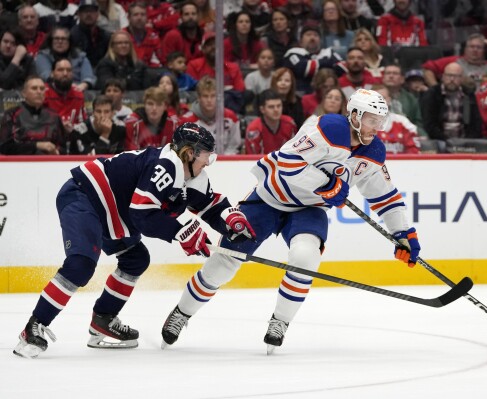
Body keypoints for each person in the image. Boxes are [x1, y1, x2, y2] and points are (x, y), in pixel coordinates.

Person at [160, 89, 421, 354]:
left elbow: (385, 196)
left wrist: (403, 233)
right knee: (225, 260)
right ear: (354, 115)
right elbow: (287, 162)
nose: (377, 127)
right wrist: (326, 183)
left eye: (381, 120)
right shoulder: (327, 128)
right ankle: (182, 312)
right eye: (371, 119)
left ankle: (280, 322)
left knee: (305, 257)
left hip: (308, 209)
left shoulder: (374, 152)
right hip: (269, 198)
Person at [13, 122, 255, 358]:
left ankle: (103, 319)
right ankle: (33, 327)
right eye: (206, 157)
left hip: (114, 212)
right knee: (81, 264)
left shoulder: (192, 175)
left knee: (135, 259)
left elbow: (209, 206)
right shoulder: (166, 166)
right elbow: (142, 215)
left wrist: (230, 220)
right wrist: (180, 232)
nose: (207, 163)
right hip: (85, 196)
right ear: (190, 153)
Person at [0, 76, 67, 155]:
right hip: (19, 164)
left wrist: (56, 152)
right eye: (34, 88)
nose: (39, 92)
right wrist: (37, 146)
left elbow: (64, 148)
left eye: (42, 89)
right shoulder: (12, 114)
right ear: (24, 93)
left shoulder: (54, 116)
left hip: (49, 163)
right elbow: (4, 147)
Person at [420, 62, 482, 145]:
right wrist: (448, 141)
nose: (452, 79)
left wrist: (466, 141)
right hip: (439, 140)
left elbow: (476, 124)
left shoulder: (468, 95)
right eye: (449, 75)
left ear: (462, 78)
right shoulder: (432, 94)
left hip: (465, 141)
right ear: (443, 77)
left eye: (456, 76)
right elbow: (429, 125)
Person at [180, 76, 242, 154]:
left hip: (225, 163)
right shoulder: (187, 122)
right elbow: (185, 149)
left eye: (213, 96)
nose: (209, 100)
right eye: (205, 96)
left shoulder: (231, 117)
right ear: (199, 98)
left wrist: (223, 161)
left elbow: (234, 146)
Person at [283, 24, 344, 95]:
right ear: (301, 40)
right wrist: (328, 63)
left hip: (328, 95)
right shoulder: (293, 52)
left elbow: (342, 68)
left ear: (320, 40)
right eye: (308, 35)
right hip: (300, 95)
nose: (312, 38)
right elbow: (304, 69)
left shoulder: (328, 52)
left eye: (315, 35)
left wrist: (314, 64)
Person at [35, 26, 96, 91]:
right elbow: (46, 76)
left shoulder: (81, 56)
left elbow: (89, 77)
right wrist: (69, 86)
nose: (60, 41)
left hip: (79, 90)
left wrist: (83, 85)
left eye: (63, 39)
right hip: (52, 90)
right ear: (51, 41)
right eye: (56, 38)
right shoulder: (42, 56)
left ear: (69, 41)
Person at [245, 89, 297, 154]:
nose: (276, 110)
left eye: (279, 106)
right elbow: (251, 159)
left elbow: (295, 152)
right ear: (262, 109)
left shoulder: (290, 123)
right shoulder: (254, 129)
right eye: (271, 107)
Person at [43, 58, 87, 127]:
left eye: (69, 70)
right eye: (60, 70)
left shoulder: (78, 95)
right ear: (52, 73)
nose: (65, 74)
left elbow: (83, 125)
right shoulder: (43, 92)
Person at [70, 0, 112, 68]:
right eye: (85, 11)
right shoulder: (72, 35)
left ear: (97, 14)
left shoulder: (106, 36)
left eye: (92, 11)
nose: (88, 14)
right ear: (78, 14)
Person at [124, 1, 162, 68]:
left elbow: (161, 60)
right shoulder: (122, 35)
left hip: (147, 72)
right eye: (135, 15)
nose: (139, 18)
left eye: (143, 14)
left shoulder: (153, 36)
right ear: (128, 18)